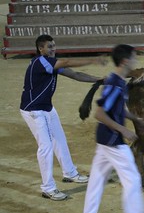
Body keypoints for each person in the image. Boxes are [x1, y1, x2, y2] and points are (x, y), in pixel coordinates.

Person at [77, 44, 144, 213]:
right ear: (126, 61)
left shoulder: (116, 81)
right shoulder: (115, 84)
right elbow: (100, 114)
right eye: (134, 57)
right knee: (133, 180)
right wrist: (124, 130)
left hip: (104, 140)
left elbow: (116, 108)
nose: (136, 61)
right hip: (113, 140)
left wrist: (135, 118)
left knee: (96, 183)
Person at [20, 34, 105, 201]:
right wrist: (93, 60)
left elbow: (75, 74)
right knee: (45, 148)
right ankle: (48, 188)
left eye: (54, 46)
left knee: (59, 140)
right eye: (49, 46)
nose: (53, 49)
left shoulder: (51, 63)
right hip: (34, 111)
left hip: (47, 108)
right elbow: (66, 63)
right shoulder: (41, 62)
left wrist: (99, 79)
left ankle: (70, 173)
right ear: (41, 49)